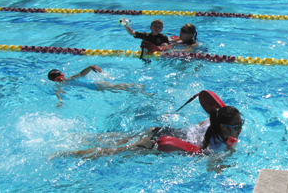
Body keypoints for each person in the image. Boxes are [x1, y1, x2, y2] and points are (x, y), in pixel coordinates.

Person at [63, 104, 243, 158]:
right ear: (223, 127)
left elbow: (199, 123)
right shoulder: (214, 147)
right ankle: (69, 153)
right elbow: (210, 165)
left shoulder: (211, 120)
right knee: (114, 152)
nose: (241, 128)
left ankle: (80, 138)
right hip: (163, 141)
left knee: (120, 138)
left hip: (164, 130)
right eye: (237, 126)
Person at [47, 65, 148, 102]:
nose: (61, 80)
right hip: (94, 87)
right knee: (115, 88)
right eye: (58, 79)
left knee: (115, 88)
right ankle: (134, 88)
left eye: (61, 77)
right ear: (55, 81)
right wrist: (60, 101)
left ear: (63, 75)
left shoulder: (71, 79)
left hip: (96, 85)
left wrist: (90, 67)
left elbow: (82, 74)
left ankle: (137, 88)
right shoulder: (59, 86)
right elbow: (58, 93)